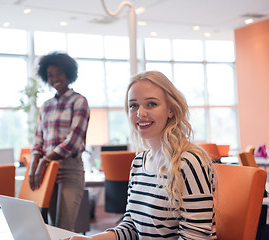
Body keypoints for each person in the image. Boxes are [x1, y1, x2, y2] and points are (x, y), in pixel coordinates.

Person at [64, 71, 217, 239]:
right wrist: (91, 239)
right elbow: (131, 226)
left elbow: (196, 236)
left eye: (151, 104)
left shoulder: (189, 162)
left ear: (171, 110)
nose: (140, 113)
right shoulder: (138, 163)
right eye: (133, 105)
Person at [29, 52, 90, 231]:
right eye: (50, 75)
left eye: (59, 73)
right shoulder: (46, 106)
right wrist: (34, 160)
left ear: (68, 74)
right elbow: (38, 138)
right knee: (45, 226)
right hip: (46, 171)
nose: (55, 78)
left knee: (63, 228)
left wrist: (46, 159)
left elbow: (73, 141)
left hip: (69, 170)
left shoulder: (79, 101)